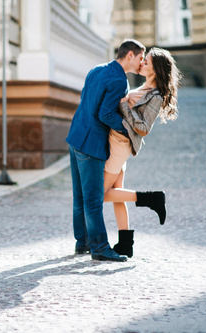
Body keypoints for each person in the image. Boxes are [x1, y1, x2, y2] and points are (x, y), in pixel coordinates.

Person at [65, 39, 145, 262]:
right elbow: (105, 114)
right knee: (93, 199)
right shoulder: (120, 80)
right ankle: (99, 247)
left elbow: (85, 100)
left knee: (79, 197)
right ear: (130, 55)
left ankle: (83, 243)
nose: (141, 63)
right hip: (91, 145)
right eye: (140, 58)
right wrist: (129, 129)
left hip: (75, 137)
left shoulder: (96, 69)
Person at [102, 47, 181, 258]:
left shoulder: (155, 95)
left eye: (146, 62)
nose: (141, 63)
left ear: (155, 70)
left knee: (99, 195)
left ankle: (150, 198)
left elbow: (144, 128)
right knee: (118, 192)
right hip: (117, 140)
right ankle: (125, 244)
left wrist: (124, 106)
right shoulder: (143, 87)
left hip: (120, 143)